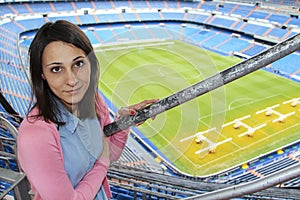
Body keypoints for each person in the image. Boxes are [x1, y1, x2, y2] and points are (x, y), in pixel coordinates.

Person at [17, 20, 157, 200]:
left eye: (78, 64)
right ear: (42, 75)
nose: (72, 79)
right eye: (57, 69)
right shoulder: (35, 135)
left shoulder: (94, 99)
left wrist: (123, 122)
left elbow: (111, 153)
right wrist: (102, 163)